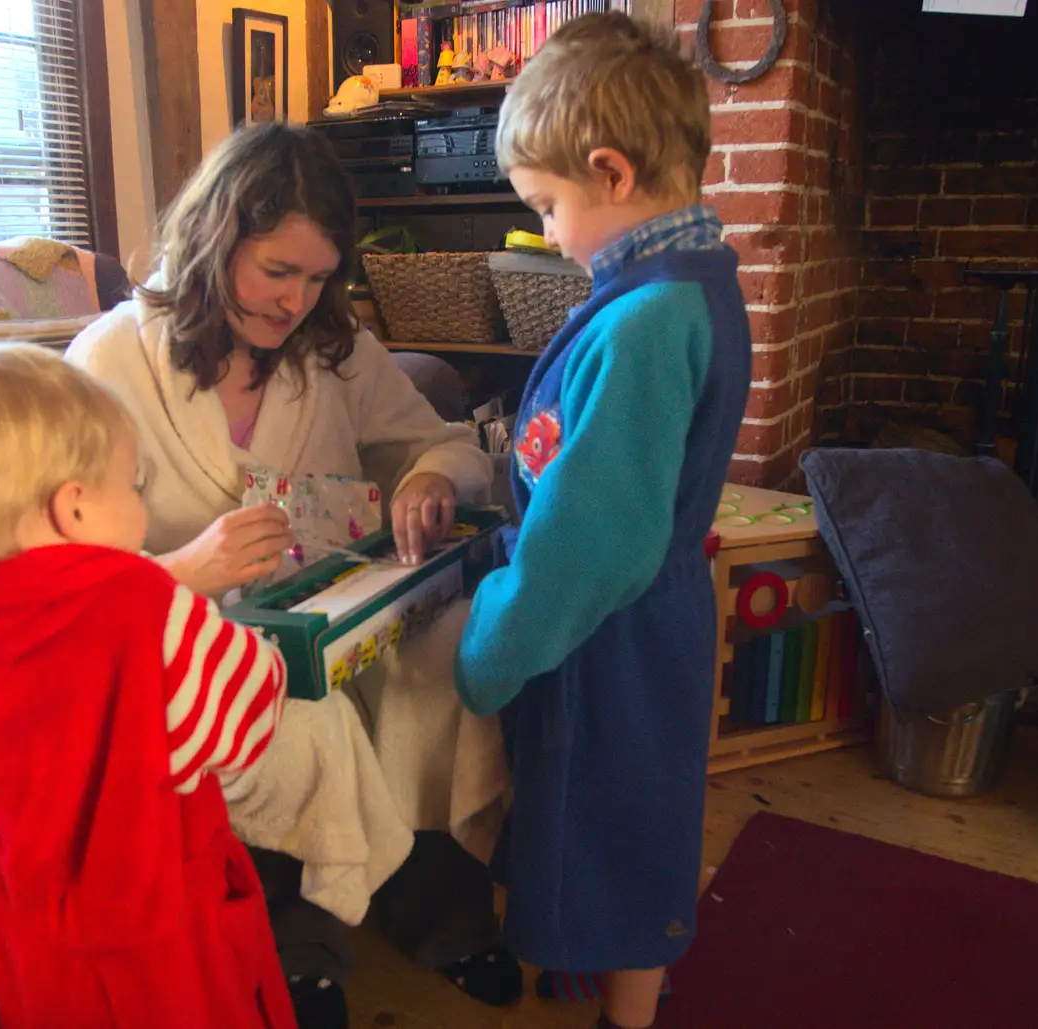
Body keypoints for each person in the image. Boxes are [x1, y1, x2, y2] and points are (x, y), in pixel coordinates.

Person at [66, 123, 520, 1029]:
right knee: (284, 720)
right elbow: (58, 569)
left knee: (448, 659)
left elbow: (438, 439)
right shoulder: (108, 359)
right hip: (193, 634)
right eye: (277, 272)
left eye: (318, 278)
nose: (295, 302)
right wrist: (184, 571)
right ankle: (303, 952)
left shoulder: (332, 347)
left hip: (345, 610)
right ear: (215, 238)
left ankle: (441, 909)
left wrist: (431, 474)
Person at [0, 343, 295, 1029]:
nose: (141, 504)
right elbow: (247, 713)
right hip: (155, 936)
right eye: (133, 484)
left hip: (31, 931)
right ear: (75, 509)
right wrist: (265, 648)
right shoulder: (140, 602)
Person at [455, 13, 753, 1029]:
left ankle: (628, 1016)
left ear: (612, 173)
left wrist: (492, 645)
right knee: (639, 814)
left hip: (607, 628)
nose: (543, 232)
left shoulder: (644, 321)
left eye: (545, 205)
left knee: (618, 827)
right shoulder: (690, 281)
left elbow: (591, 544)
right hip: (643, 614)